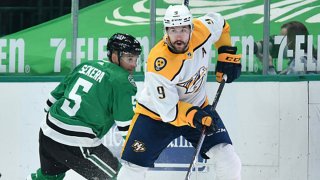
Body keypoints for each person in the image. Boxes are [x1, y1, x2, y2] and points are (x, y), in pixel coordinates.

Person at [117, 5, 241, 180]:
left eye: (183, 29)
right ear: (166, 31)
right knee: (133, 168)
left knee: (228, 158)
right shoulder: (158, 64)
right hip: (155, 116)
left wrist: (225, 53)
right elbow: (169, 112)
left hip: (197, 107)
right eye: (173, 30)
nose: (179, 36)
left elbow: (221, 24)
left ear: (192, 28)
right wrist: (195, 116)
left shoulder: (202, 30)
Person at [28, 33, 142, 180]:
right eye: (129, 58)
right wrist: (139, 149)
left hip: (47, 132)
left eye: (136, 59)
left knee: (49, 177)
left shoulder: (86, 65)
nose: (133, 64)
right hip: (75, 140)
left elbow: (51, 101)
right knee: (119, 177)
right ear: (114, 56)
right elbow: (126, 125)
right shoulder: (122, 80)